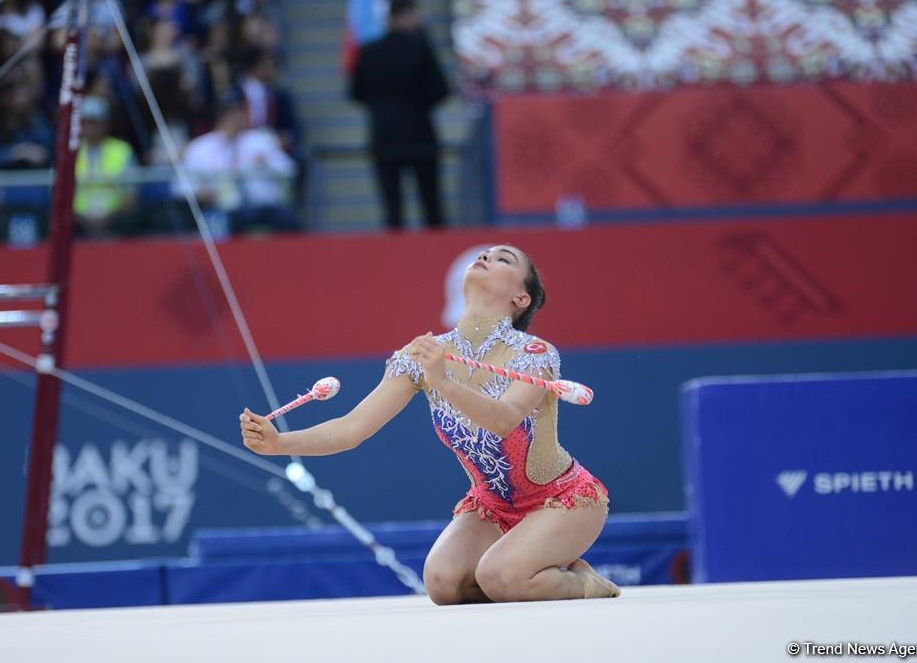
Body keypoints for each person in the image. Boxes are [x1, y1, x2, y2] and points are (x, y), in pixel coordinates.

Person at [239, 245, 621, 604]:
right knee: (442, 584)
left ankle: (581, 580)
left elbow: (504, 420)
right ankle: (527, 568)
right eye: (487, 253)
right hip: (491, 506)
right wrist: (278, 443)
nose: (488, 255)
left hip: (561, 501)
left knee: (499, 576)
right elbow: (351, 429)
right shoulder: (423, 355)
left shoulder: (534, 353)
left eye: (504, 259)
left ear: (520, 299)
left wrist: (444, 383)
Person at [350, 0, 448, 230]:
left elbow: (356, 92)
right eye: (416, 15)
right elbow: (441, 90)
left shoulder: (369, 51)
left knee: (392, 209)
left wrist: (382, 105)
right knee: (431, 205)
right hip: (420, 135)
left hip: (384, 136)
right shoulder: (421, 48)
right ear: (402, 16)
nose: (420, 21)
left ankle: (394, 260)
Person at [181, 89, 299, 234]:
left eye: (240, 111)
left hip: (262, 208)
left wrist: (267, 163)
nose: (237, 117)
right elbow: (180, 186)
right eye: (231, 112)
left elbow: (289, 170)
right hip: (220, 209)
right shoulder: (200, 148)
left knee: (289, 222)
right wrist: (199, 193)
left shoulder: (261, 141)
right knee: (221, 222)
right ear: (220, 116)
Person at [73, 96, 139, 238]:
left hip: (115, 219)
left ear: (106, 124)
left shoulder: (122, 151)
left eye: (95, 122)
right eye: (86, 122)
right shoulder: (69, 154)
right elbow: (59, 197)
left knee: (134, 218)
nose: (90, 127)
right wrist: (82, 219)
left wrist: (108, 218)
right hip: (79, 221)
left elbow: (131, 196)